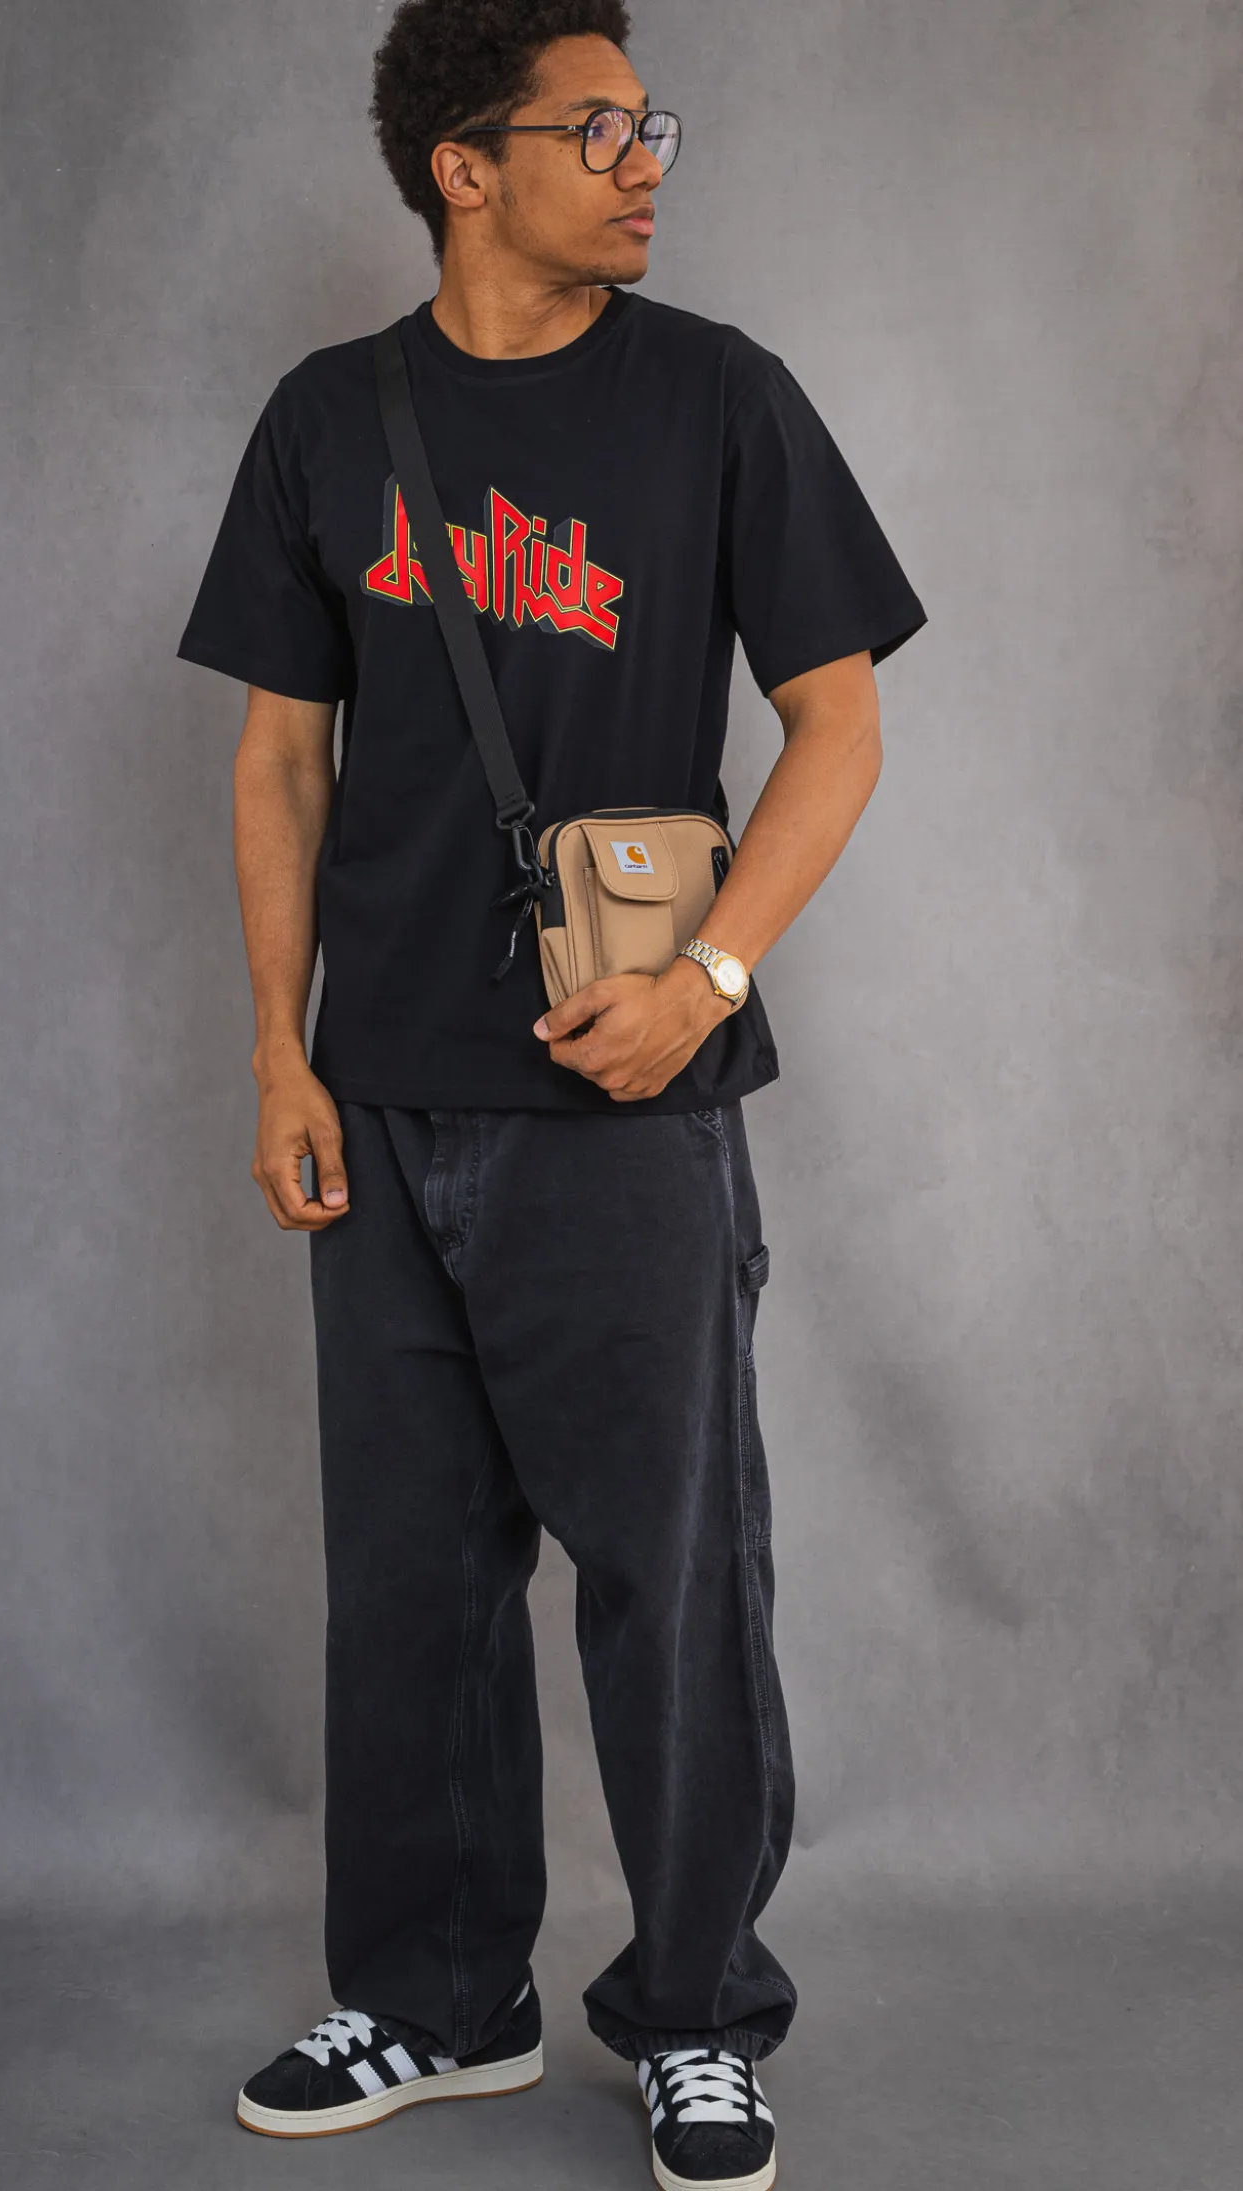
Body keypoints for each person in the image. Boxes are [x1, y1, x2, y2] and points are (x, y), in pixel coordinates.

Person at [176, 3, 926, 2183]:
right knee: (408, 1585)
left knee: (670, 1580)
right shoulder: (330, 420)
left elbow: (839, 723)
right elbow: (280, 758)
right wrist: (279, 1048)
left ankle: (699, 2014)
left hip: (627, 1104)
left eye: (645, 122)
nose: (645, 158)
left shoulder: (718, 398)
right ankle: (438, 2000)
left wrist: (709, 979)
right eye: (596, 129)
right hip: (382, 1097)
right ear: (462, 166)